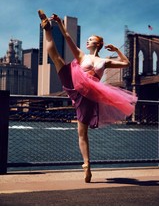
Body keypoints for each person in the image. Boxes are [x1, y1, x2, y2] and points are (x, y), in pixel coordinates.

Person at [38, 10, 137, 183]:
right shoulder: (81, 55)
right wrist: (59, 23)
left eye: (90, 39)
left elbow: (126, 63)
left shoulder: (104, 61)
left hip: (88, 94)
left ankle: (87, 164)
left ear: (97, 44)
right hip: (74, 81)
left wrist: (116, 51)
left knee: (82, 132)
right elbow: (67, 37)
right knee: (56, 58)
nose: (87, 41)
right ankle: (46, 28)